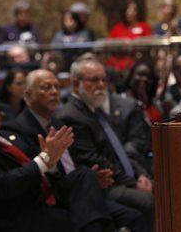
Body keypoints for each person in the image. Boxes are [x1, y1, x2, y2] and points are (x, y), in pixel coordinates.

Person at [8, 69, 146, 231]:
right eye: (46, 87)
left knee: (134, 217)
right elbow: (36, 178)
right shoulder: (20, 129)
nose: (54, 92)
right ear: (28, 95)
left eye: (56, 87)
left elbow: (74, 165)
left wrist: (93, 181)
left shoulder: (57, 123)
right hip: (53, 197)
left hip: (78, 189)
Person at [0, 88, 75, 231]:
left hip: (45, 203)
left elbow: (38, 164)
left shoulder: (8, 132)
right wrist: (46, 159)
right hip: (14, 219)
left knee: (84, 182)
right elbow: (3, 185)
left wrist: (52, 161)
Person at [54, 59, 154, 227]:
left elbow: (118, 150)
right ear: (76, 84)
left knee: (165, 189)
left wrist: (140, 174)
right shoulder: (71, 116)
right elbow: (95, 159)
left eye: (103, 80)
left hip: (119, 178)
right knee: (147, 201)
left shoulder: (94, 109)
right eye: (94, 80)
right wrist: (133, 183)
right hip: (101, 185)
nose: (101, 85)